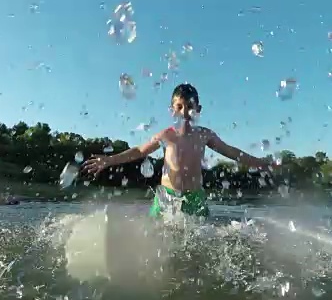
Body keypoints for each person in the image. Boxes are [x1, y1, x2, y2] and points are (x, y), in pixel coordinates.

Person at [82, 83, 271, 218]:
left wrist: (260, 163)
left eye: (190, 107)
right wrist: (109, 160)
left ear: (198, 109)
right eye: (179, 107)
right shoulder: (166, 135)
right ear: (172, 110)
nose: (184, 112)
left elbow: (231, 151)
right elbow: (139, 151)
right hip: (167, 197)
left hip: (195, 197)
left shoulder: (205, 135)